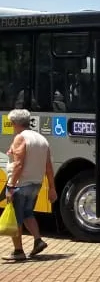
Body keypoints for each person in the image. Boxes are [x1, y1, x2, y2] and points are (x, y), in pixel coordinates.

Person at [4, 109, 57, 261]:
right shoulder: (42, 139)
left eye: (11, 123)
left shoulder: (20, 138)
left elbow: (18, 164)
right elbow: (48, 167)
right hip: (36, 184)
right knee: (28, 213)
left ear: (15, 123)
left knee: (16, 218)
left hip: (20, 184)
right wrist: (52, 188)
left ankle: (18, 251)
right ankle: (38, 240)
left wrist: (11, 186)